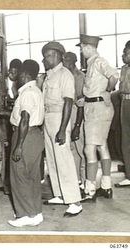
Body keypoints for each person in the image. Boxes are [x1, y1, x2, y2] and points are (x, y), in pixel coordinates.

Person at [76, 34, 119, 202]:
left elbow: (114, 76)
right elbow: (94, 88)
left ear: (88, 47)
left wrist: (108, 90)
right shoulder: (92, 63)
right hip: (95, 106)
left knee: (89, 149)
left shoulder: (98, 61)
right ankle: (106, 186)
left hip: (97, 109)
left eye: (82, 47)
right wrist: (86, 99)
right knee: (102, 146)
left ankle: (89, 190)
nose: (81, 51)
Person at [42, 41, 82, 217]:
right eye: (45, 56)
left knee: (64, 160)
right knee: (52, 159)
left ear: (59, 56)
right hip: (48, 119)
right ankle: (59, 194)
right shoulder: (49, 76)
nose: (46, 59)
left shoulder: (65, 75)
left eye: (50, 55)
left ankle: (74, 201)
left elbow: (68, 102)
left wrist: (62, 128)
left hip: (59, 119)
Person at [7, 60, 45, 227]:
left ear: (25, 75)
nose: (17, 78)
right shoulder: (36, 90)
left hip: (25, 136)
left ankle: (24, 215)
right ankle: (35, 213)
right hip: (35, 135)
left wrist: (19, 146)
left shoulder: (27, 93)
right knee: (33, 177)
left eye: (20, 74)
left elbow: (25, 119)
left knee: (19, 175)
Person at [63, 52, 86, 190]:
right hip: (67, 113)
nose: (64, 62)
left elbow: (81, 102)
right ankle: (76, 179)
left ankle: (86, 181)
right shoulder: (64, 76)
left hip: (78, 113)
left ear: (73, 62)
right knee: (71, 149)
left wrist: (77, 125)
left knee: (82, 148)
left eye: (66, 60)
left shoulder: (80, 77)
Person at [115, 40, 130, 188]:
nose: (122, 56)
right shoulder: (124, 69)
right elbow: (120, 88)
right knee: (125, 140)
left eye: (125, 53)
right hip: (125, 104)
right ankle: (129, 175)